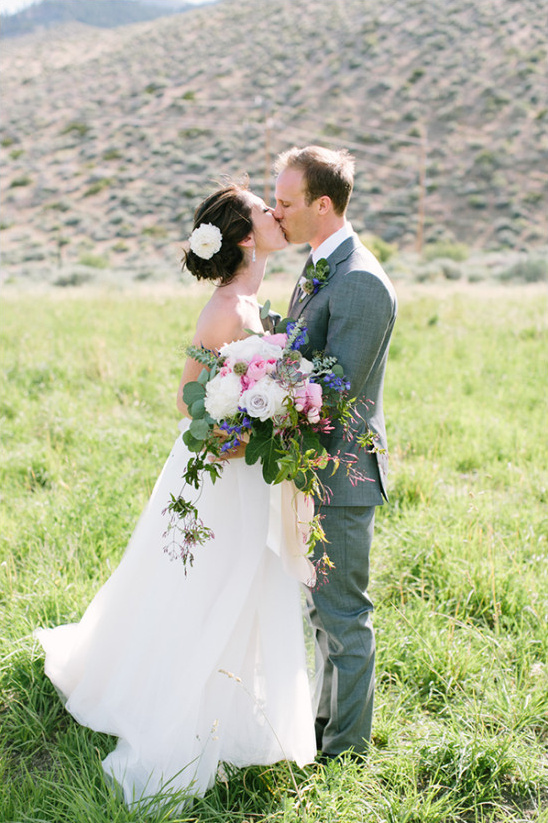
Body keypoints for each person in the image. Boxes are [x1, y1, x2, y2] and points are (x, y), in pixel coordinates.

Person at [35, 183, 316, 809]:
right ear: (245, 238)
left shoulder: (251, 300)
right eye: (265, 212)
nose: (277, 215)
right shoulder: (224, 309)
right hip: (216, 473)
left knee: (241, 581)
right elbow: (190, 399)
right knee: (205, 582)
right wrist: (238, 437)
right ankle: (174, 700)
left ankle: (232, 697)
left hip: (243, 469)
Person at [273, 146, 397, 760]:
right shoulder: (321, 266)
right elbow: (305, 347)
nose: (277, 212)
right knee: (321, 613)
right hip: (311, 470)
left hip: (341, 475)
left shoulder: (361, 281)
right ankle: (324, 727)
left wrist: (263, 393)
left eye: (286, 202)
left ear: (323, 205)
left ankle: (346, 751)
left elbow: (334, 394)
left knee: (344, 616)